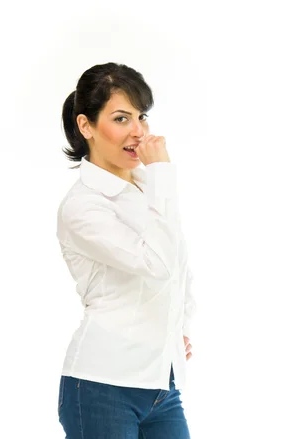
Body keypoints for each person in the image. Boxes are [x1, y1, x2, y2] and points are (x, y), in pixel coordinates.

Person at [55, 62, 196, 439]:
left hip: (160, 384)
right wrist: (163, 176)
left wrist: (177, 325)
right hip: (101, 386)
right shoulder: (83, 205)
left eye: (141, 117)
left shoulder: (147, 185)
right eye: (121, 118)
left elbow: (179, 261)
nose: (139, 132)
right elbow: (156, 262)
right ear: (86, 126)